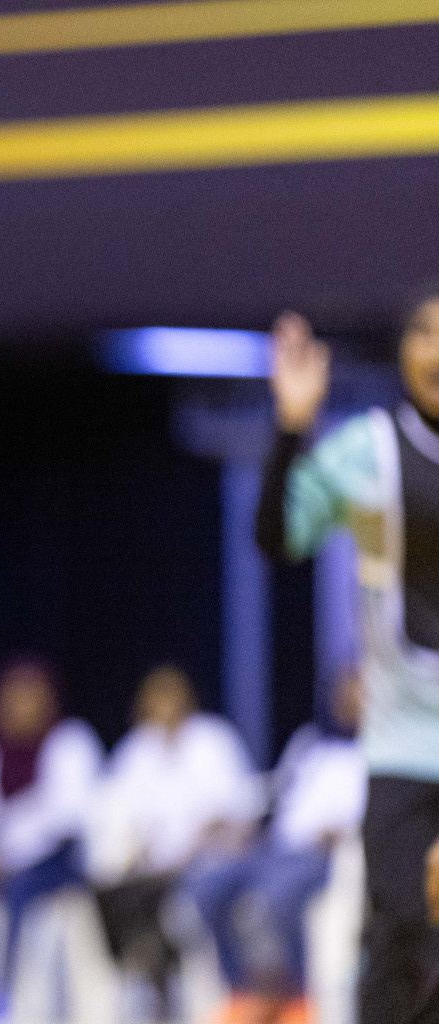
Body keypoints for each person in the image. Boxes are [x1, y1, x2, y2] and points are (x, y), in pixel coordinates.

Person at [256, 291, 439, 1023]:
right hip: (400, 747)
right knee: (397, 943)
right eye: (425, 333)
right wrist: (290, 429)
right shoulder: (367, 449)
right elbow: (278, 538)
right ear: (402, 352)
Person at [184, 668, 366, 1024]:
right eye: (341, 691)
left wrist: (339, 830)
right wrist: (244, 826)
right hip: (275, 847)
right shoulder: (309, 742)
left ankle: (296, 997)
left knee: (274, 897)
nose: (346, 700)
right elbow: (274, 796)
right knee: (208, 887)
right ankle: (240, 990)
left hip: (323, 855)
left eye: (356, 692)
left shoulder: (375, 750)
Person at [88, 666, 262, 1015]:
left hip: (207, 862)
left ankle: (168, 983)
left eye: (171, 699)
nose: (164, 708)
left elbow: (241, 811)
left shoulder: (212, 739)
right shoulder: (137, 750)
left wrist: (198, 842)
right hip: (154, 867)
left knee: (167, 899)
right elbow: (119, 814)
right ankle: (141, 975)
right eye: (156, 701)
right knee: (109, 892)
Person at [0, 656, 103, 955]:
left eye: (27, 698)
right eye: (11, 698)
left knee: (18, 890)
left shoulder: (70, 741)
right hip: (1, 858)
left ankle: (7, 991)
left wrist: (8, 858)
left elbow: (65, 820)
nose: (18, 707)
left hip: (60, 860)